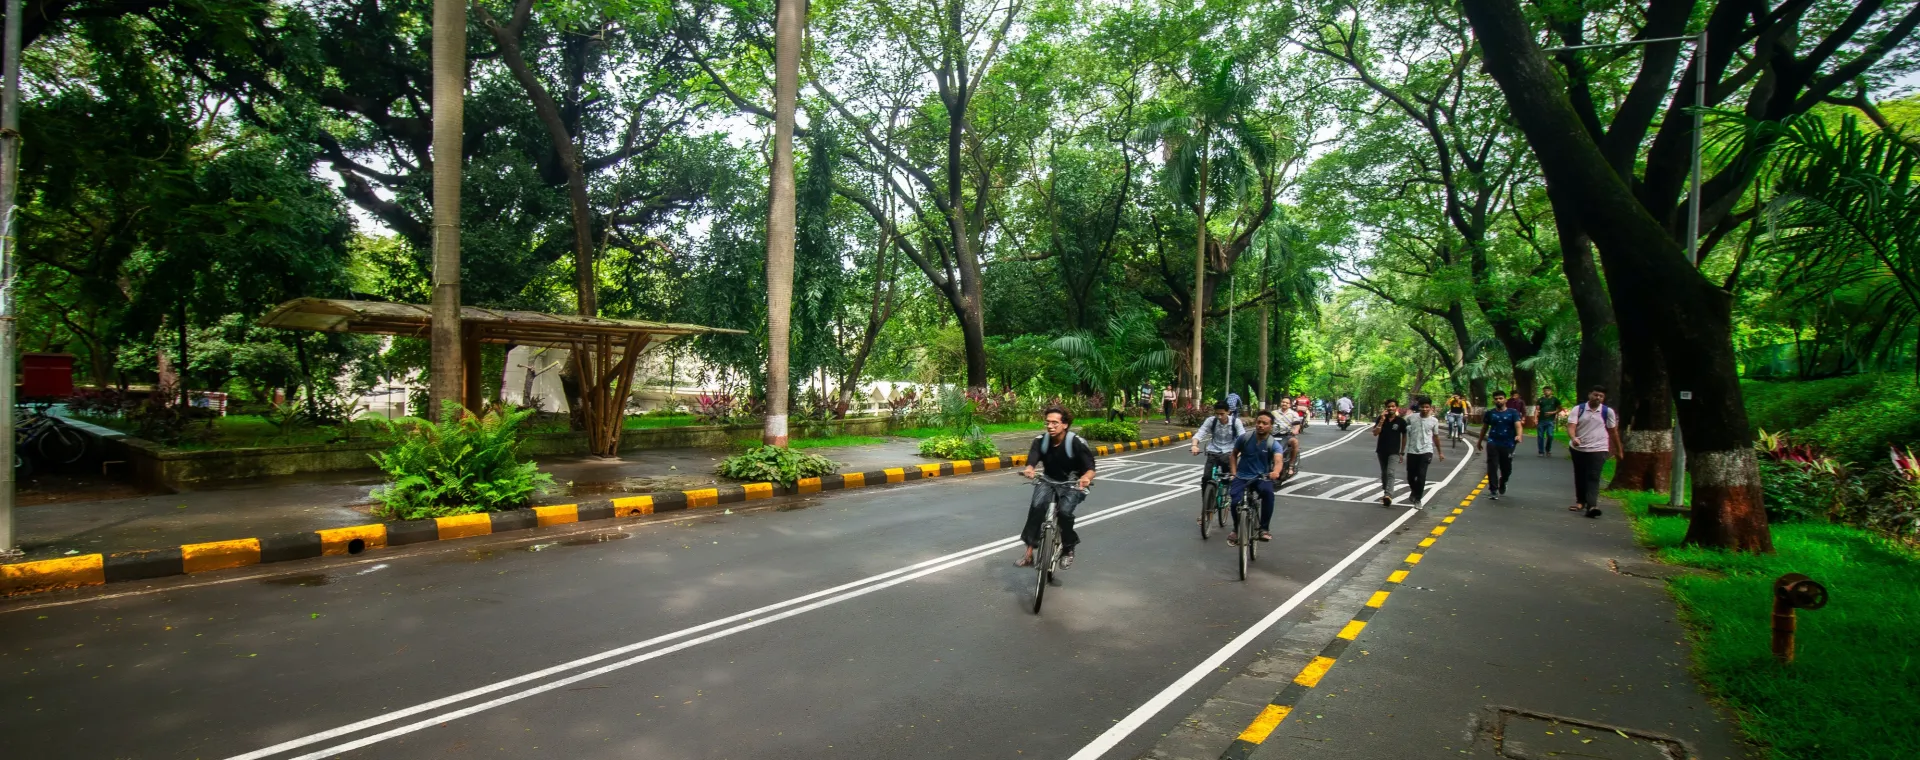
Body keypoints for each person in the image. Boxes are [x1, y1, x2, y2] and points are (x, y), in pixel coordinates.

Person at [1019, 407, 1096, 568]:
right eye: (1048, 422)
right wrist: (1030, 469)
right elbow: (1032, 460)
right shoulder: (1041, 440)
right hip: (1048, 479)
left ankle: (1068, 547)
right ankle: (1029, 553)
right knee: (1037, 507)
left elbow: (1090, 468)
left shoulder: (1076, 442)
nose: (1050, 426)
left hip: (1072, 482)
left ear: (1065, 424)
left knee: (1065, 513)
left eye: (1055, 423)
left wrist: (1085, 478)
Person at [1228, 409, 1292, 544]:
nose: (1260, 425)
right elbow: (1233, 455)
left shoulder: (1273, 443)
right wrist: (1234, 473)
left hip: (1261, 477)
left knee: (1269, 494)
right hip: (1241, 476)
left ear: (1271, 426)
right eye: (1258, 422)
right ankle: (1236, 528)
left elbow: (1278, 460)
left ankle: (1264, 528)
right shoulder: (1244, 438)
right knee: (1234, 502)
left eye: (1265, 423)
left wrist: (1276, 472)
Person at [1567, 386, 1621, 518]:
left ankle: (1592, 506)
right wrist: (1574, 438)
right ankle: (1580, 501)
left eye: (1601, 396)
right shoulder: (1578, 409)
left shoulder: (1607, 412)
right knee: (1580, 475)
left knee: (1593, 476)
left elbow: (1613, 431)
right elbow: (1571, 427)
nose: (1598, 398)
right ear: (1589, 394)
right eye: (1596, 395)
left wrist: (1619, 449)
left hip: (1599, 448)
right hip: (1578, 448)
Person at [1189, 400, 1248, 494]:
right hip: (1213, 451)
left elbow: (1243, 437)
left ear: (1228, 412)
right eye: (1217, 414)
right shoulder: (1211, 421)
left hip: (1229, 452)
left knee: (1228, 478)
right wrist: (1194, 445)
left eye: (1222, 414)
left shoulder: (1235, 422)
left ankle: (1228, 498)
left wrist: (1241, 450)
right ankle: (1207, 501)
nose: (1219, 416)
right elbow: (1201, 433)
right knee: (1206, 478)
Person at [1477, 390, 1524, 499]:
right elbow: (1484, 428)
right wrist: (1479, 441)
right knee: (1492, 466)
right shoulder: (1490, 413)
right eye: (1496, 399)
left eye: (1500, 398)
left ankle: (1503, 481)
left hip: (1508, 444)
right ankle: (1493, 490)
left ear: (1505, 400)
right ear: (1493, 400)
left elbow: (1518, 426)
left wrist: (1519, 435)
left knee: (1506, 468)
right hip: (1493, 442)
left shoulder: (1513, 412)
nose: (1498, 400)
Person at [1404, 399, 1445, 507]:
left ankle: (1418, 499)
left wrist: (1440, 452)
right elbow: (1404, 429)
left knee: (1421, 475)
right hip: (1412, 450)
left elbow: (1435, 436)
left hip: (1426, 451)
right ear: (1419, 407)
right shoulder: (1411, 418)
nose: (1425, 409)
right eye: (1423, 407)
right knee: (1411, 476)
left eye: (1427, 407)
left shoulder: (1434, 421)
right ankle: (1414, 490)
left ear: (1430, 408)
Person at [1371, 399, 1410, 506]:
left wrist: (1402, 452)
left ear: (1396, 407)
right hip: (1382, 450)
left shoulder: (1401, 421)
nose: (1391, 408)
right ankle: (1386, 492)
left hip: (1394, 452)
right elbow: (1375, 433)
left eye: (1393, 406)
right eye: (1389, 406)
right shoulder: (1381, 419)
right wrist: (1382, 420)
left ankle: (1388, 495)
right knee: (1384, 473)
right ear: (1386, 408)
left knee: (1390, 473)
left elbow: (1404, 436)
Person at [1536, 386, 1563, 457]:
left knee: (1550, 435)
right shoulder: (1540, 400)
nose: (1546, 392)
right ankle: (1541, 451)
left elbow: (1560, 408)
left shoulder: (1555, 400)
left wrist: (1553, 412)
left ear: (1551, 391)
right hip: (1541, 420)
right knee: (1540, 436)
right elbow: (1537, 409)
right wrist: (1535, 418)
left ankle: (1548, 449)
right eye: (1545, 391)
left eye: (1548, 390)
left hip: (1550, 420)